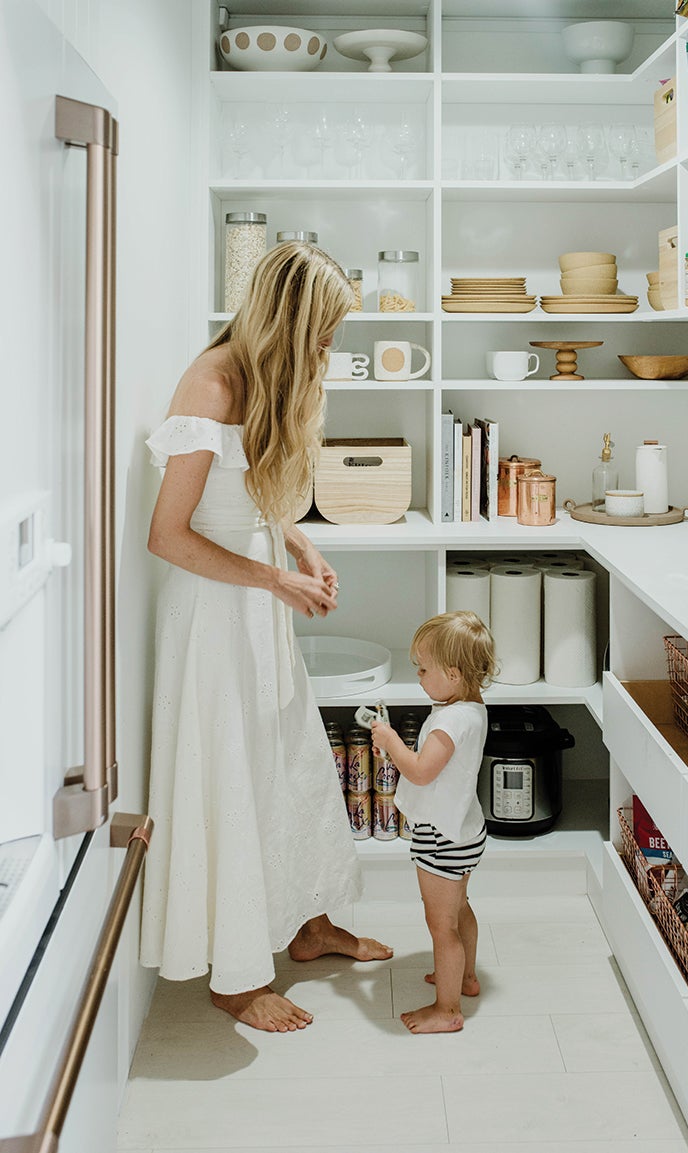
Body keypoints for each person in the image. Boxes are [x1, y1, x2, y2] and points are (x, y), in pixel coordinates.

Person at [139, 241, 391, 1033]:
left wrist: (301, 547)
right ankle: (234, 978)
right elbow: (168, 535)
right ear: (287, 319)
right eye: (321, 332)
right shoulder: (211, 384)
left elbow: (252, 492)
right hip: (212, 619)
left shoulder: (264, 377)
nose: (327, 349)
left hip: (253, 600)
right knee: (232, 779)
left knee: (290, 766)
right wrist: (276, 579)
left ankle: (307, 926)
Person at [371, 610, 496, 1034]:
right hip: (463, 829)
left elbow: (421, 771)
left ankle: (447, 1009)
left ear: (454, 674)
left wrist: (390, 742)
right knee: (459, 910)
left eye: (424, 669)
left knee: (440, 925)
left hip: (441, 838)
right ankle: (465, 977)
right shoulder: (470, 709)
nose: (420, 676)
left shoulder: (449, 721)